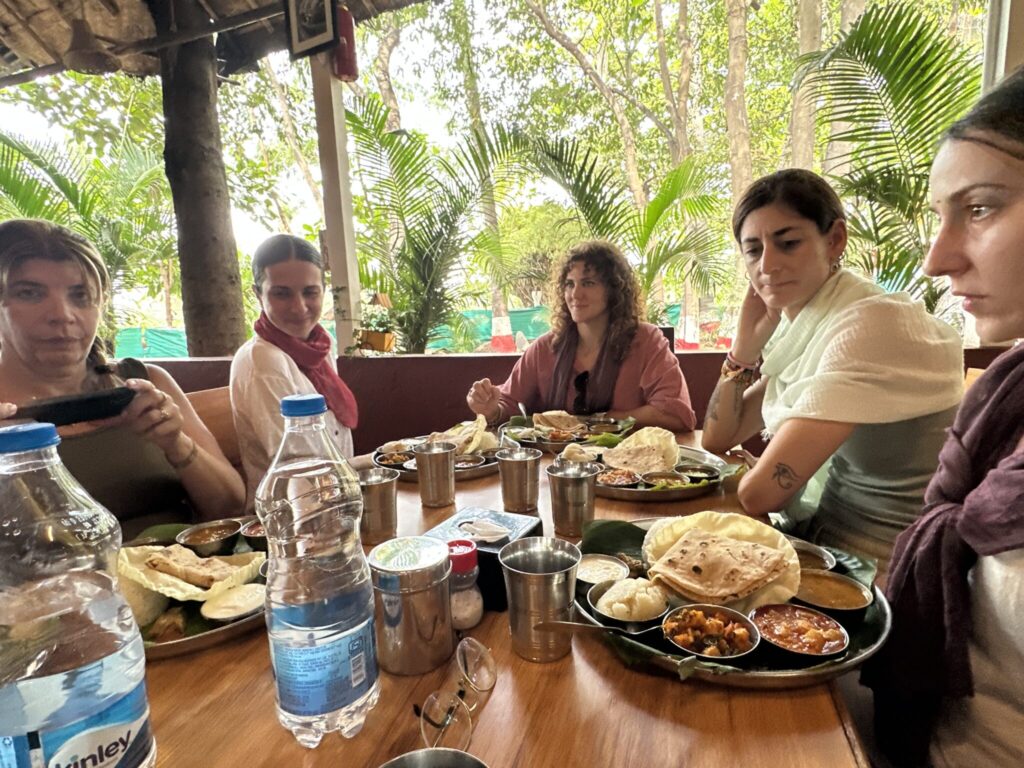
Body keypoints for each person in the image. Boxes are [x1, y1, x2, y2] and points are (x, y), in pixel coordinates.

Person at [862, 67, 1024, 767]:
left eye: (981, 208)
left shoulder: (863, 326)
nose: (936, 257)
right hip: (928, 729)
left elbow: (762, 488)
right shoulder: (1008, 386)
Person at [701, 169, 964, 575]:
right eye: (753, 251)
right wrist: (743, 349)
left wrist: (759, 471)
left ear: (835, 239)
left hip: (885, 570)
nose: (767, 265)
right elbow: (720, 435)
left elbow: (760, 496)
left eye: (788, 243)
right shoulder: (810, 324)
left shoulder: (869, 322)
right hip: (822, 540)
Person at [0, 219, 245, 539]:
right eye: (30, 293)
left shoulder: (144, 383)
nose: (62, 314)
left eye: (80, 295)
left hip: (197, 577)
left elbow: (231, 508)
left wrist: (175, 443)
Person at [465, 240, 696, 431]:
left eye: (588, 283)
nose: (575, 294)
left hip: (628, 474)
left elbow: (677, 415)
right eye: (569, 284)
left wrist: (605, 421)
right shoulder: (546, 347)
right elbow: (508, 402)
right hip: (556, 473)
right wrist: (490, 408)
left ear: (614, 289)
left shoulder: (646, 341)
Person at [230, 234, 366, 505]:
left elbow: (333, 459)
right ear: (258, 294)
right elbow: (299, 471)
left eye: (310, 292)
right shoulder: (263, 360)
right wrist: (379, 460)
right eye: (282, 293)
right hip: (291, 516)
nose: (299, 307)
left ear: (323, 291)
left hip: (338, 500)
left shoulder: (319, 346)